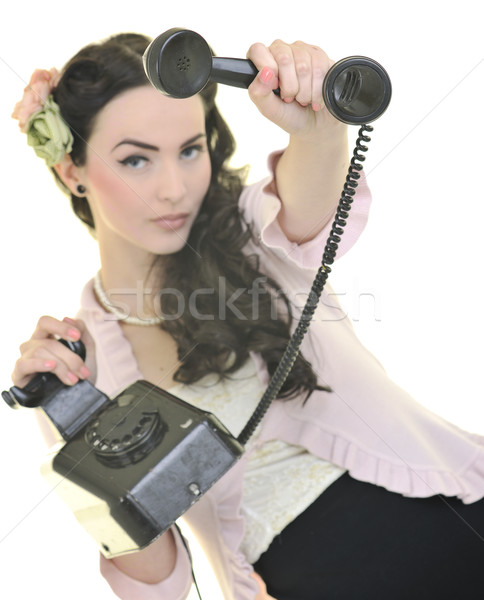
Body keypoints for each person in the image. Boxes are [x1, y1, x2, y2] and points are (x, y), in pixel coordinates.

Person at [9, 32, 484, 600]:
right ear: (72, 171)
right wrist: (76, 415)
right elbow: (158, 583)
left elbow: (312, 198)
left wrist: (320, 127)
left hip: (455, 527)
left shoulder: (257, 232)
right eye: (136, 159)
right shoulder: (74, 365)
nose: (173, 188)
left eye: (189, 149)